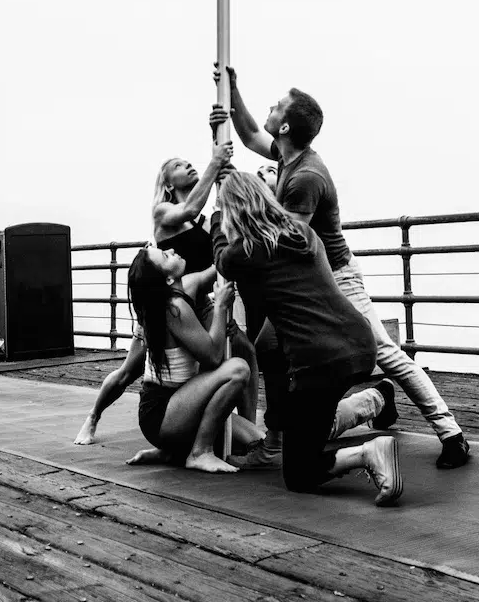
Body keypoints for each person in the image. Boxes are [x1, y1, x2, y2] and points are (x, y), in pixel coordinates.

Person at [211, 65, 473, 469]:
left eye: (276, 107)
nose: (270, 109)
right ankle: (277, 440)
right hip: (307, 275)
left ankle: (450, 432)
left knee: (384, 352)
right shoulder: (286, 156)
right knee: (268, 347)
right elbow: (247, 134)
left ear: (285, 127)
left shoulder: (306, 177)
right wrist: (231, 92)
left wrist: (241, 198)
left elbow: (284, 240)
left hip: (334, 276)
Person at [213, 171, 404, 505]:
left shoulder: (249, 249)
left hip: (320, 361)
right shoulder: (303, 233)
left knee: (299, 473)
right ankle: (376, 399)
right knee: (308, 421)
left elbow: (221, 258)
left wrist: (217, 218)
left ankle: (368, 453)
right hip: (358, 343)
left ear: (234, 211)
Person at [74, 143, 261, 444]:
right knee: (129, 371)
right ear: (168, 184)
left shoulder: (202, 221)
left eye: (188, 162)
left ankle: (244, 431)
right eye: (178, 165)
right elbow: (190, 208)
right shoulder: (163, 211)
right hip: (165, 305)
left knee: (243, 350)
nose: (187, 165)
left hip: (198, 300)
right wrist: (215, 163)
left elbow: (219, 244)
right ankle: (93, 416)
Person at [125, 243, 261, 473]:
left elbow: (218, 267)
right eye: (165, 256)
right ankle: (200, 452)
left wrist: (233, 242)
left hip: (181, 406)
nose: (171, 250)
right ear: (168, 279)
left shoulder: (181, 292)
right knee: (238, 369)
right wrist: (220, 307)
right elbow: (214, 357)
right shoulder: (173, 308)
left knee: (257, 441)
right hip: (162, 414)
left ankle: (171, 452)